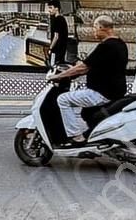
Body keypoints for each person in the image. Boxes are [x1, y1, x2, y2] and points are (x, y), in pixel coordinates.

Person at [48, 14, 128, 142]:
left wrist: (58, 76)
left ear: (102, 27)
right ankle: (94, 135)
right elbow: (93, 65)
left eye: (95, 27)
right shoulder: (120, 44)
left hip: (101, 93)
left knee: (62, 100)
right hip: (115, 91)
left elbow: (84, 67)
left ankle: (75, 136)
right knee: (86, 112)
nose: (93, 31)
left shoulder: (106, 46)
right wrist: (73, 72)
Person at [45, 0, 69, 68]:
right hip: (61, 48)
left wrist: (50, 48)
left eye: (50, 8)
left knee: (54, 66)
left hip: (57, 49)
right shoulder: (62, 19)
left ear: (56, 8)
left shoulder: (57, 19)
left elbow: (56, 36)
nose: (49, 10)